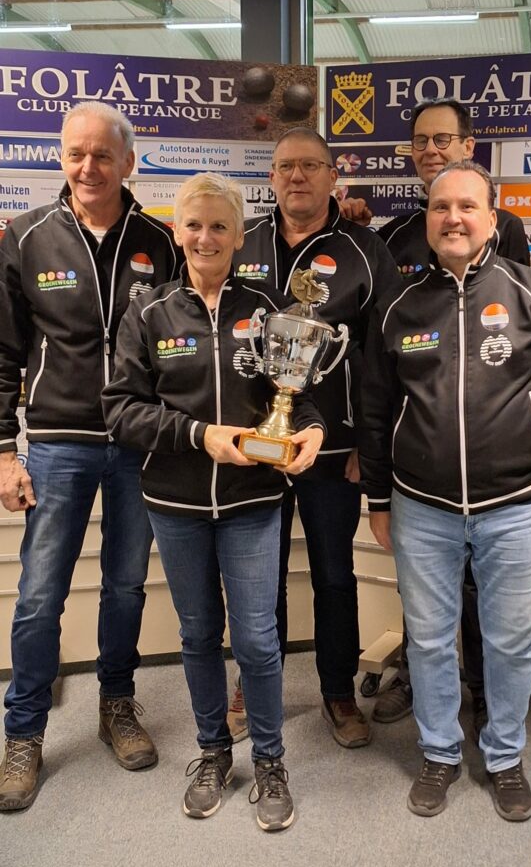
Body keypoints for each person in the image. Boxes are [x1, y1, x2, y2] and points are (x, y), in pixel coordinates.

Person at [359, 160, 531, 820]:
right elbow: (374, 409)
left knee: (510, 642)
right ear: (427, 220)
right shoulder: (399, 305)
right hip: (421, 507)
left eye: (467, 206)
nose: (453, 218)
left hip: (517, 506)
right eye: (441, 208)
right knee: (430, 640)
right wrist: (378, 500)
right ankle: (438, 752)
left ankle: (505, 757)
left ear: (492, 218)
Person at [102, 173, 324, 828]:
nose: (206, 237)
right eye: (194, 225)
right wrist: (202, 435)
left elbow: (298, 393)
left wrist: (312, 428)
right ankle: (213, 751)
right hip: (174, 503)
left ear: (238, 236)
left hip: (254, 499)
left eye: (219, 226)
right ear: (177, 232)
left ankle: (271, 759)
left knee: (256, 638)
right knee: (198, 633)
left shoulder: (268, 309)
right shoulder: (149, 313)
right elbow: (122, 412)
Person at [0, 102, 179, 811]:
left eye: (103, 154)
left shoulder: (160, 242)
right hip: (57, 444)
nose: (88, 167)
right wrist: (3, 454)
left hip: (137, 444)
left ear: (128, 162)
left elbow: (178, 351)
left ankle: (117, 704)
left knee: (126, 585)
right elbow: (4, 353)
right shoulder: (25, 236)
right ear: (61, 157)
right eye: (76, 153)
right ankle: (23, 733)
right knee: (40, 594)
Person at [346, 98, 531, 731]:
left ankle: (481, 690)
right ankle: (417, 678)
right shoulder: (396, 233)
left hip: (492, 457)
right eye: (421, 141)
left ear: (469, 146)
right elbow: (381, 349)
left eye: (443, 139)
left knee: (481, 589)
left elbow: (515, 330)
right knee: (423, 590)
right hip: (419, 456)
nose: (431, 150)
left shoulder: (506, 227)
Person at [231, 127, 401, 750]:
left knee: (334, 575)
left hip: (334, 450)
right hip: (253, 446)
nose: (296, 176)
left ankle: (337, 690)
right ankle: (256, 686)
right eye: (285, 167)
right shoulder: (241, 239)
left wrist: (367, 444)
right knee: (259, 578)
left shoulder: (365, 249)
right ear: (271, 177)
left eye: (310, 166)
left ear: (334, 177)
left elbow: (384, 356)